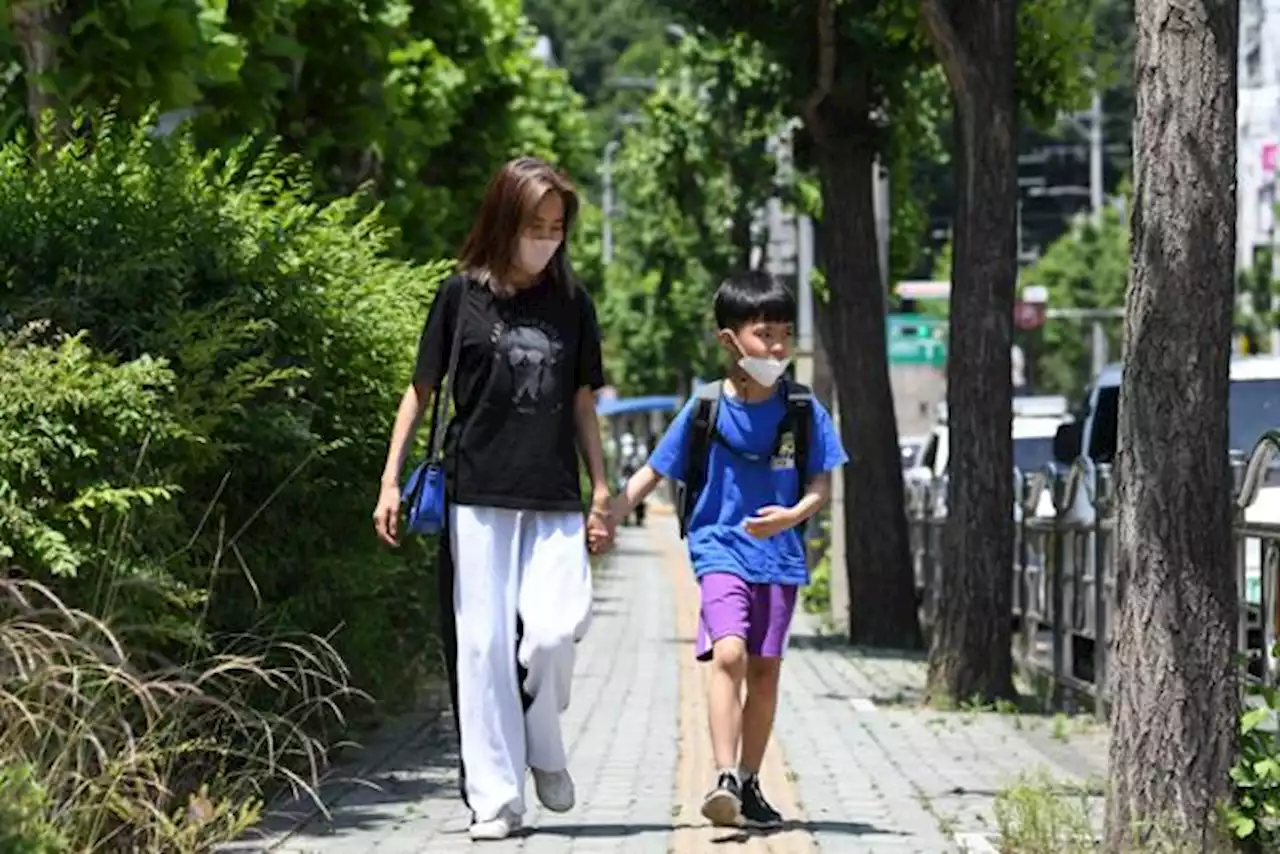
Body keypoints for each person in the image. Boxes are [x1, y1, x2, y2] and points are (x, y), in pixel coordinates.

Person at [373, 157, 614, 841]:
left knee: (551, 631)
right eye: (535, 225)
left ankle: (543, 748)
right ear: (504, 220)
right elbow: (420, 390)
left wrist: (601, 488)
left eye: (557, 227)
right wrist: (391, 480)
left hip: (553, 494)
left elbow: (581, 401)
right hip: (475, 490)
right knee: (481, 648)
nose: (546, 239)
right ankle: (496, 798)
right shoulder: (459, 297)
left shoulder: (573, 302)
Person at [604, 270, 847, 828]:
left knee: (765, 670)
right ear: (729, 340)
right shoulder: (706, 407)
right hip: (719, 547)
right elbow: (654, 468)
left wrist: (792, 515)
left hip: (781, 556)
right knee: (730, 655)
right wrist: (613, 511)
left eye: (785, 333)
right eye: (765, 334)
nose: (778, 346)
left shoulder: (804, 409)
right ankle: (722, 778)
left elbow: (821, 486)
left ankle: (752, 781)